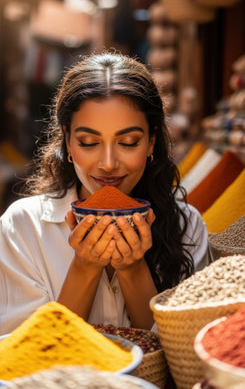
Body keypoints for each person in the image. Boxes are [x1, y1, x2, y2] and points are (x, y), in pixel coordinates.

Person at [0, 52, 210, 336]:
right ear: (69, 143)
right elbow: (22, 356)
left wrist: (134, 270)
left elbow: (183, 360)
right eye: (88, 142)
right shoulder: (23, 227)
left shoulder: (188, 227)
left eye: (128, 142)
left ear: (151, 142)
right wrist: (84, 268)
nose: (108, 163)